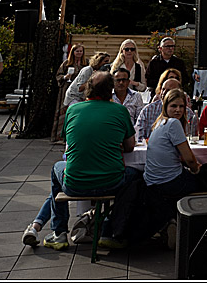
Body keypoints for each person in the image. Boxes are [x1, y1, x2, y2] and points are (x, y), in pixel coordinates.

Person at [33, 72, 137, 251]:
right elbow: (130, 147)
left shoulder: (73, 110)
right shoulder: (120, 111)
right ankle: (110, 231)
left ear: (88, 88)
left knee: (56, 169)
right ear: (110, 89)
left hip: (76, 183)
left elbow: (69, 141)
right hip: (112, 182)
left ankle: (59, 233)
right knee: (135, 177)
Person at [142, 88, 205, 236]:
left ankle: (170, 221)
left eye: (181, 106)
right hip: (168, 182)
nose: (178, 110)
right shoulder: (173, 124)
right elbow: (189, 158)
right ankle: (194, 228)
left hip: (151, 181)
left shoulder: (159, 124)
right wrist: (196, 169)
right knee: (206, 178)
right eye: (174, 106)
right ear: (166, 107)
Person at [137, 76, 197, 141]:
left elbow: (193, 137)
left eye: (169, 90)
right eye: (163, 89)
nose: (164, 92)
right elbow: (139, 137)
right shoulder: (147, 110)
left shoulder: (188, 113)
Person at [53, 43, 86, 141]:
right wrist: (64, 77)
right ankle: (62, 136)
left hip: (81, 91)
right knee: (66, 110)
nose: (79, 53)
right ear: (73, 52)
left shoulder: (86, 63)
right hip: (67, 89)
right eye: (77, 51)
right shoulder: (67, 63)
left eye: (81, 51)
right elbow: (58, 76)